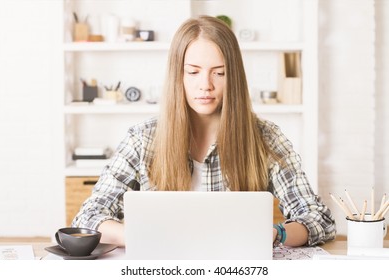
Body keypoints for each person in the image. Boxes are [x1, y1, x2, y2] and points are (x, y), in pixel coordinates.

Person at [72, 15, 336, 248]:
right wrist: (135, 235)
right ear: (179, 75)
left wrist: (276, 233)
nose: (205, 86)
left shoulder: (265, 137)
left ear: (233, 77)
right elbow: (88, 216)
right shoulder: (143, 139)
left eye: (219, 73)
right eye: (193, 72)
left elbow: (318, 219)